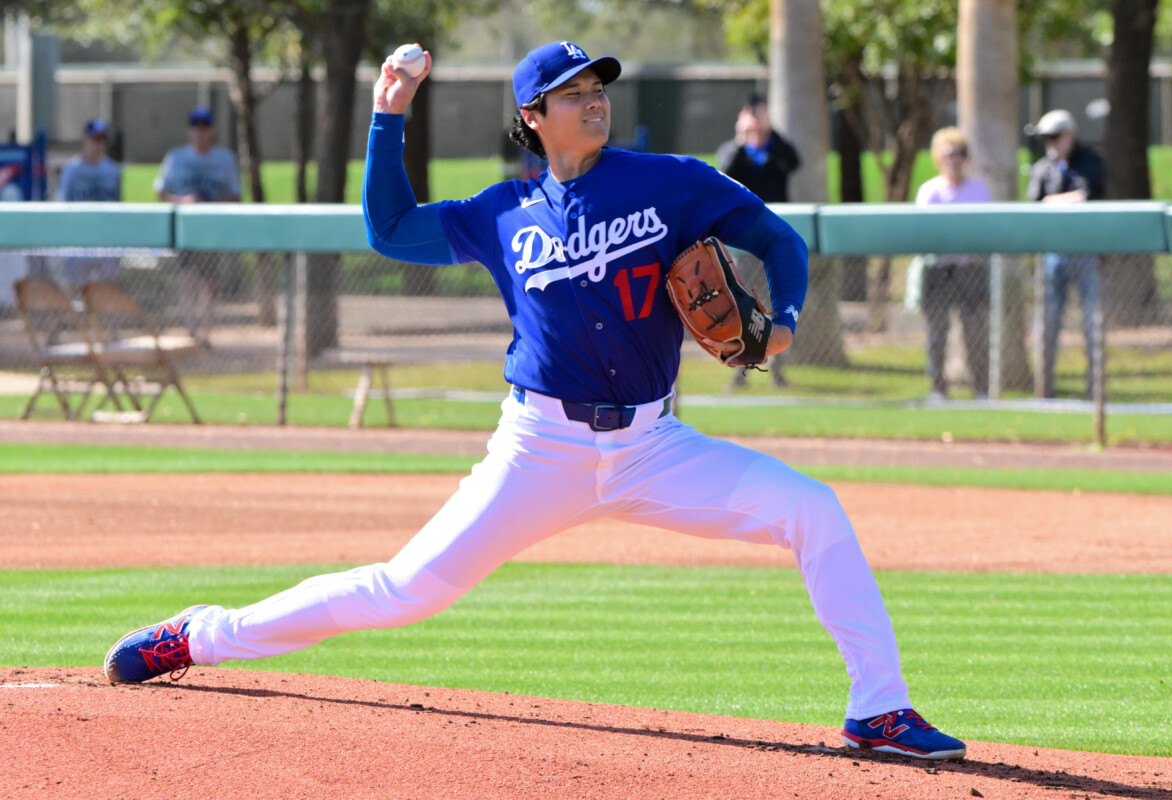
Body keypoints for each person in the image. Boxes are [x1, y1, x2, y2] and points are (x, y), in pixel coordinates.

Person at [104, 41, 966, 762]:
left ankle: (878, 708)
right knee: (401, 589)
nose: (593, 103)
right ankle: (200, 634)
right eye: (573, 94)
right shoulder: (502, 212)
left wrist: (781, 321)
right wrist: (388, 115)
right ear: (532, 118)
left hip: (654, 447)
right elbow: (390, 230)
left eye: (598, 90)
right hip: (538, 449)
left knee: (813, 509)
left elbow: (774, 237)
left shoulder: (668, 182)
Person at [716, 93, 801, 389]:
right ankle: (740, 370)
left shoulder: (776, 149)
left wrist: (769, 129)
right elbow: (725, 173)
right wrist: (743, 139)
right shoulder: (735, 151)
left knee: (775, 306)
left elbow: (794, 160)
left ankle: (778, 370)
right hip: (744, 243)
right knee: (742, 304)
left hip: (774, 244)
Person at [1026, 109, 1106, 399]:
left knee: (1092, 322)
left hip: (1086, 252)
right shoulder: (1042, 168)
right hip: (1052, 254)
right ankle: (1045, 390)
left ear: (1070, 134)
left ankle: (1095, 390)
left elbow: (1087, 196)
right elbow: (1033, 203)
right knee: (1048, 323)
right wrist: (1059, 201)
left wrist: (1051, 200)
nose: (1051, 143)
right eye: (1046, 138)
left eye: (1056, 136)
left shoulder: (1091, 161)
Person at [914, 127, 992, 402]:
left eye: (959, 154)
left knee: (975, 332)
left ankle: (981, 389)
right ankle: (938, 389)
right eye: (949, 155)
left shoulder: (979, 189)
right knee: (937, 334)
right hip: (939, 270)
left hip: (970, 268)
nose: (954, 160)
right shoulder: (930, 192)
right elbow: (924, 231)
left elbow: (984, 229)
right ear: (939, 158)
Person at [154, 107, 241, 345]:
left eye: (205, 126)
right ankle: (191, 330)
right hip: (186, 228)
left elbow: (235, 195)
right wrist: (184, 200)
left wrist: (211, 203)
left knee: (210, 283)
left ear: (212, 129)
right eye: (196, 126)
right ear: (189, 130)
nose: (200, 132)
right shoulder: (176, 157)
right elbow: (161, 193)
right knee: (188, 278)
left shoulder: (224, 159)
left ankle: (206, 332)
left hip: (211, 228)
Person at [56, 118, 124, 288]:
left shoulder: (112, 170)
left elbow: (118, 204)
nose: (98, 144)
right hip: (79, 238)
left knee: (109, 287)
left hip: (105, 238)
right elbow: (62, 203)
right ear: (85, 139)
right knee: (75, 286)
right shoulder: (72, 170)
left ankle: (105, 316)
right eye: (95, 139)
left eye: (103, 140)